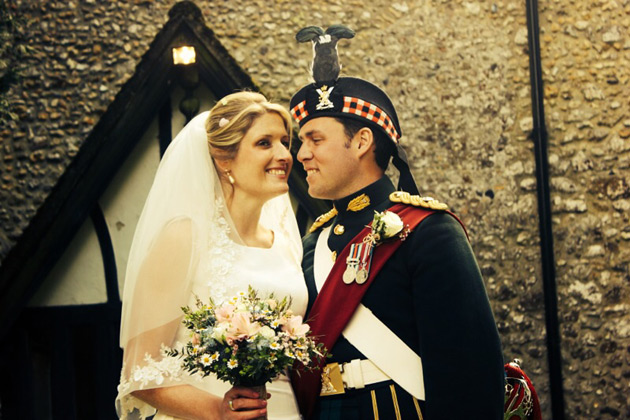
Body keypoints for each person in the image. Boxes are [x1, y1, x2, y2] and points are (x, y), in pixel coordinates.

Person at [289, 26, 505, 419]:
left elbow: (471, 377)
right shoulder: (312, 244)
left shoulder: (429, 232)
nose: (301, 154)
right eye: (301, 141)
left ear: (361, 142)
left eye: (315, 139)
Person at [115, 91, 306, 420]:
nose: (284, 154)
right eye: (265, 143)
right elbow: (139, 372)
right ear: (223, 159)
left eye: (284, 141)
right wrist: (219, 410)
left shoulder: (286, 240)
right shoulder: (183, 237)